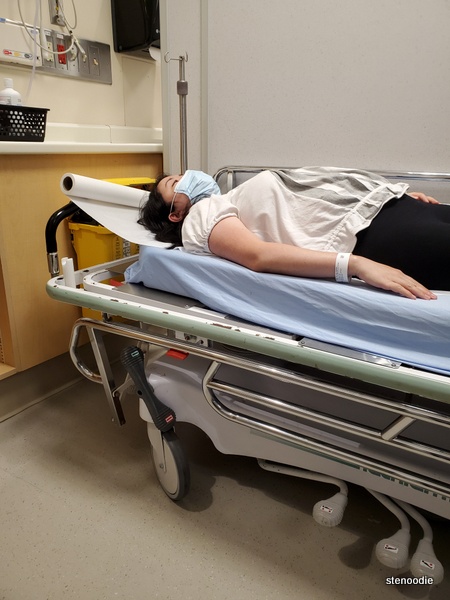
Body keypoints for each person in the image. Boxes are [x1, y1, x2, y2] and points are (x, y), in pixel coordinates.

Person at [138, 167, 450, 300]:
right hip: (372, 231)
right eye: (175, 183)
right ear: (175, 214)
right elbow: (258, 256)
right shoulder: (198, 217)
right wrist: (355, 265)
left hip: (390, 206)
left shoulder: (230, 198)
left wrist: (390, 197)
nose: (186, 176)